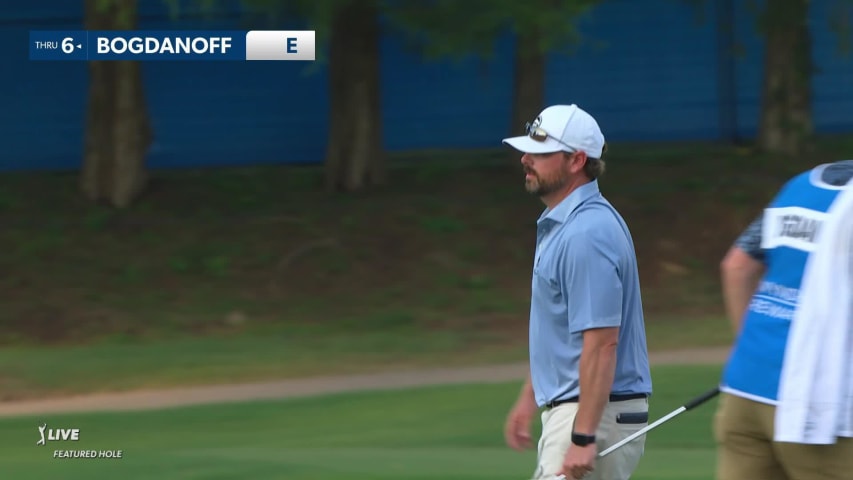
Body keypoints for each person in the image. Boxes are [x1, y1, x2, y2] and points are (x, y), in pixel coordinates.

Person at [500, 104, 653, 480]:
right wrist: (530, 396)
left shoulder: (587, 234)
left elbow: (602, 343)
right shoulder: (566, 225)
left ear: (577, 160)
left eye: (540, 153)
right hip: (580, 409)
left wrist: (583, 435)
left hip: (592, 413)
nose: (525, 159)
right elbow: (563, 331)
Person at [715, 159, 853, 480]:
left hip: (746, 388)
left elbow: (737, 267)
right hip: (820, 405)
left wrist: (754, 352)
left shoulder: (802, 185)